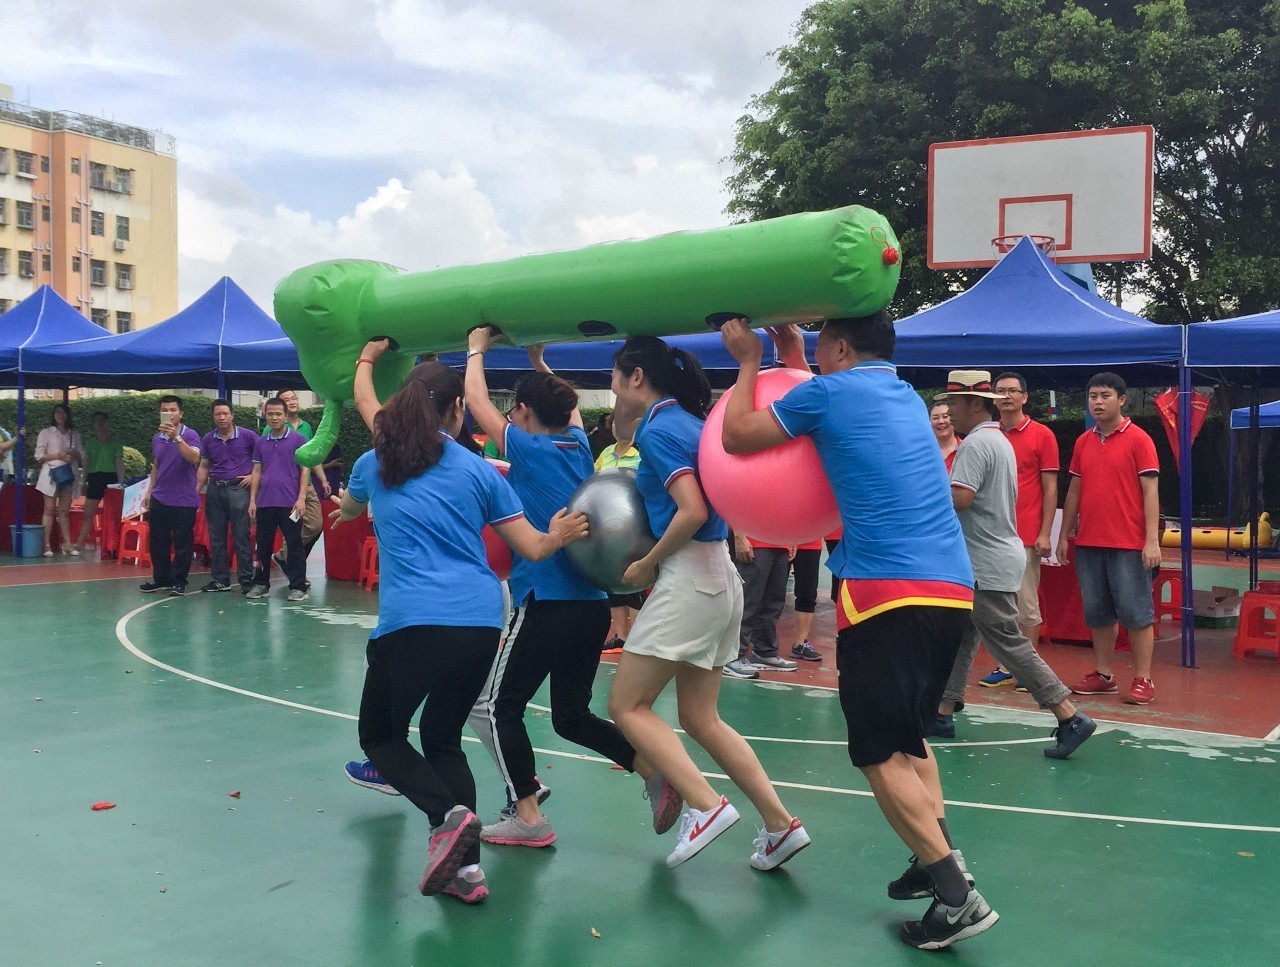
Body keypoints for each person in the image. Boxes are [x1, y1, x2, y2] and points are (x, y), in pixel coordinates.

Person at [718, 316, 997, 951]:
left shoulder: (829, 394)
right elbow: (833, 400)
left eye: (819, 344)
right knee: (908, 743)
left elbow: (736, 437)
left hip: (886, 596)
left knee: (876, 753)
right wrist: (792, 353)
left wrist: (748, 361)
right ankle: (935, 858)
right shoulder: (899, 393)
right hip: (950, 589)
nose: (814, 353)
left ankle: (959, 897)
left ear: (841, 347)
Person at [335, 342, 588, 904]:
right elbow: (534, 548)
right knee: (443, 739)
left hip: (410, 625)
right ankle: (466, 872)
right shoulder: (479, 471)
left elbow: (350, 507)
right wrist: (562, 535)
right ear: (455, 412)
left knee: (380, 735)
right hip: (478, 624)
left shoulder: (374, 461)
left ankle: (447, 817)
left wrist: (366, 359)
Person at [605, 335, 811, 872]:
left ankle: (704, 806)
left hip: (686, 578)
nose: (610, 385)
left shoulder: (659, 430)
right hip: (720, 579)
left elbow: (691, 509)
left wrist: (648, 563)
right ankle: (779, 825)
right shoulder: (695, 424)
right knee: (701, 717)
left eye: (614, 375)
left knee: (626, 706)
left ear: (634, 378)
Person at [464, 329, 675, 848]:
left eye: (514, 413)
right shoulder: (577, 442)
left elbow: (473, 399)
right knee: (571, 717)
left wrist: (476, 348)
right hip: (590, 610)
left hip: (546, 605)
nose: (509, 420)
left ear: (526, 415)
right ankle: (651, 769)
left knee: (496, 707)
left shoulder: (529, 449)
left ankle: (529, 818)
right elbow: (571, 408)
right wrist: (538, 357)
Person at [935, 372, 1096, 759]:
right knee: (963, 634)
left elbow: (961, 499)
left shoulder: (975, 445)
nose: (949, 411)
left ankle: (1067, 713)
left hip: (983, 560)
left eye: (954, 403)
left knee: (1006, 639)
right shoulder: (998, 439)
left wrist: (918, 490)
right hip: (991, 555)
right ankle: (942, 711)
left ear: (976, 403)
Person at [1057, 372, 1161, 705]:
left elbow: (1150, 491)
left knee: (1137, 613)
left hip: (1129, 544)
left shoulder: (1140, 439)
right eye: (1092, 396)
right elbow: (1073, 489)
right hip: (1089, 543)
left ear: (1121, 399)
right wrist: (1064, 535)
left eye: (1104, 395)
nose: (1098, 402)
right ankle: (1104, 675)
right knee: (1098, 614)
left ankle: (1144, 679)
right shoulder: (1083, 442)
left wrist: (1151, 540)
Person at [977, 372, 1062, 688]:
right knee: (998, 604)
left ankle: (1029, 669)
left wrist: (1045, 533)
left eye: (1013, 391)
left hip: (1025, 535)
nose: (1007, 396)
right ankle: (1004, 666)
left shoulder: (1042, 436)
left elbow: (1050, 488)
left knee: (1026, 605)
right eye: (1001, 391)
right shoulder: (987, 434)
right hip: (989, 535)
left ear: (1025, 397)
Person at [246, 397, 309, 602]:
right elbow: (256, 471)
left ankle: (298, 587)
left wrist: (301, 499)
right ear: (265, 415)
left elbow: (305, 470)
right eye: (270, 414)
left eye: (278, 414)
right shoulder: (260, 442)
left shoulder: (299, 440)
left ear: (285, 416)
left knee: (294, 545)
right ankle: (261, 584)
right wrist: (253, 500)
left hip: (290, 504)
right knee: (262, 546)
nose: (274, 418)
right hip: (265, 503)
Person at [141, 396, 202, 595]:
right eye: (165, 409)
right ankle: (161, 579)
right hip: (160, 497)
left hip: (184, 499)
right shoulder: (156, 438)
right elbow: (156, 466)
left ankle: (178, 581)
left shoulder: (190, 435)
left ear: (181, 413)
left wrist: (177, 437)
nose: (169, 413)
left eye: (173, 409)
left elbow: (194, 458)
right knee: (158, 541)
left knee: (182, 542)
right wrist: (149, 491)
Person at [197, 399, 256, 593]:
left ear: (232, 415)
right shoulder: (208, 439)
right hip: (215, 490)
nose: (222, 418)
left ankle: (246, 580)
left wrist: (252, 476)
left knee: (241, 536)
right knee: (217, 538)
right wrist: (196, 491)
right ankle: (220, 580)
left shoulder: (248, 436)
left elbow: (262, 461)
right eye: (217, 414)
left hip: (239, 490)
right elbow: (204, 465)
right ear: (213, 416)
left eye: (225, 414)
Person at [594, 421, 644, 650]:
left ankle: (637, 636)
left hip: (635, 526)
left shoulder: (641, 453)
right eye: (615, 423)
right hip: (607, 526)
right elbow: (594, 479)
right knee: (612, 580)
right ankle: (621, 636)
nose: (618, 427)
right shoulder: (606, 453)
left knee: (635, 581)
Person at [274, 388, 331, 582]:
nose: (292, 402)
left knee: (316, 526)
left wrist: (323, 479)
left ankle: (284, 555)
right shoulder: (271, 428)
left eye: (293, 398)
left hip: (307, 485)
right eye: (286, 399)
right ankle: (296, 570)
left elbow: (312, 456)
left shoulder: (306, 427)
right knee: (292, 527)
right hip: (287, 487)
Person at [723, 534, 799, 678]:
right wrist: (739, 537)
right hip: (754, 542)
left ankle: (765, 651)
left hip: (781, 542)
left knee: (773, 602)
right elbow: (736, 511)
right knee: (747, 602)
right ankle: (731, 656)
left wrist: (790, 538)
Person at [73, 412, 125, 555]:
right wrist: (83, 481)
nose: (101, 425)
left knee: (114, 515)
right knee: (88, 513)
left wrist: (121, 483)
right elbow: (87, 463)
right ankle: (78, 544)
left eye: (103, 421)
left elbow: (119, 463)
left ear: (108, 423)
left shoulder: (115, 443)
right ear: (93, 425)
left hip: (111, 480)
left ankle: (114, 546)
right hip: (95, 478)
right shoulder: (90, 443)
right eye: (97, 422)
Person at [34, 404, 82, 556]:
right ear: (54, 415)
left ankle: (67, 544)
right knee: (48, 510)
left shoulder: (74, 434)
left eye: (63, 412)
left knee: (64, 511)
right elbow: (39, 455)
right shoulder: (46, 432)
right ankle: (46, 545)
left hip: (68, 474)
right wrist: (58, 456)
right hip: (51, 474)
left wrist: (71, 453)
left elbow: (81, 454)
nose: (61, 415)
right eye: (58, 412)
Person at [787, 535, 825, 662]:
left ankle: (800, 644)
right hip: (780, 540)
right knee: (771, 594)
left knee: (808, 593)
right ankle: (762, 647)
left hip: (810, 542)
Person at [930, 400, 959, 470]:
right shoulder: (924, 452)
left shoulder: (965, 447)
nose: (941, 421)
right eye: (935, 418)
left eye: (945, 416)